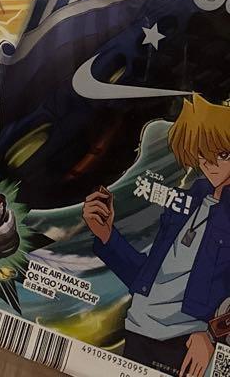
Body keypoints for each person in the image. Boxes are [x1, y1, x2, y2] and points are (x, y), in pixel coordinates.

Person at [83, 94, 230, 377]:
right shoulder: (189, 199)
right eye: (203, 152)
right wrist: (107, 235)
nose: (211, 163)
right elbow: (149, 277)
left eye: (223, 154)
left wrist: (212, 335)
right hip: (138, 331)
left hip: (187, 345)